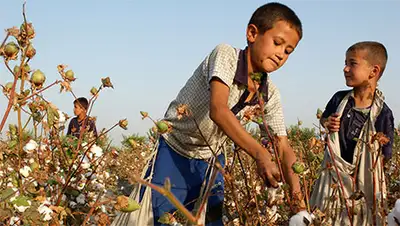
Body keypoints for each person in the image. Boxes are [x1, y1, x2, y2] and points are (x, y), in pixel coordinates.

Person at [112, 2, 310, 226]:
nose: (280, 54)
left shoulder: (270, 93)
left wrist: (299, 205)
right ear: (252, 33)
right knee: (161, 218)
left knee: (212, 220)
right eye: (277, 43)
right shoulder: (226, 55)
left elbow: (282, 146)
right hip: (175, 149)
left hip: (212, 157)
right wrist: (261, 154)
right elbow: (218, 110)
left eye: (288, 51)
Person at [310, 41, 394, 225]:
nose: (345, 68)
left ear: (374, 71)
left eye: (352, 63)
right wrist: (327, 123)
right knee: (325, 216)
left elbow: (383, 158)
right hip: (334, 177)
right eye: (345, 62)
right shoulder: (339, 99)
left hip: (364, 183)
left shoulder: (382, 113)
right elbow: (324, 119)